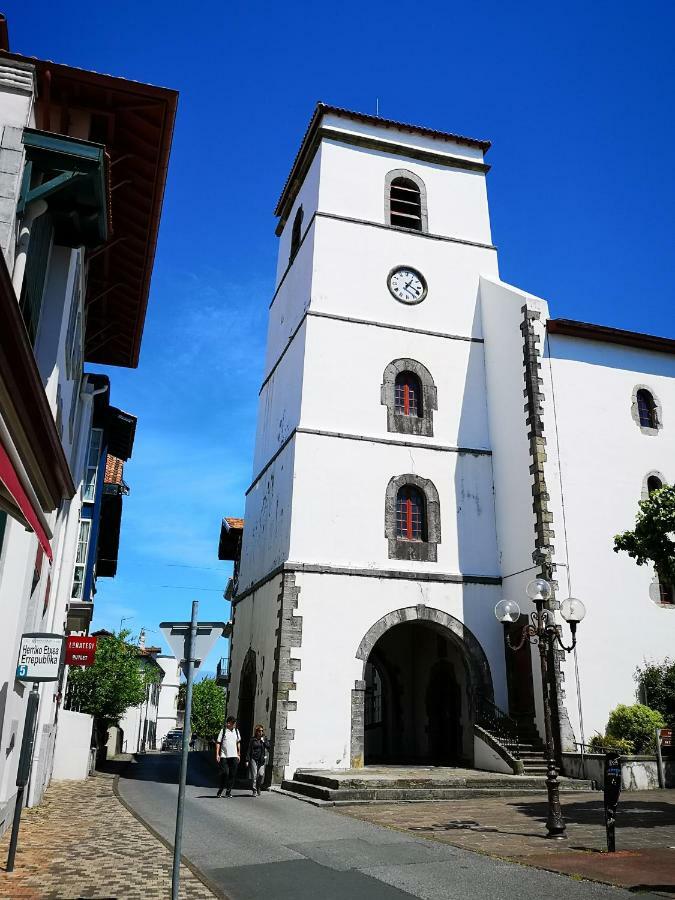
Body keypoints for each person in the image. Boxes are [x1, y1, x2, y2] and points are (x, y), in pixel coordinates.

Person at [215, 716, 240, 798]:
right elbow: (218, 742)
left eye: (234, 723)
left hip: (234, 756)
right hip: (224, 756)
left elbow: (238, 742)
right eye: (233, 723)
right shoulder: (223, 731)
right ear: (228, 723)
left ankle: (228, 791)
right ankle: (221, 788)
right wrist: (217, 754)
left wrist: (239, 754)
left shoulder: (236, 731)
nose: (234, 724)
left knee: (232, 774)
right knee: (225, 773)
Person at [246, 725, 270, 796]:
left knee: (261, 774)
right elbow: (249, 750)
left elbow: (268, 747)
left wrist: (264, 741)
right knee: (254, 775)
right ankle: (254, 790)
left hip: (261, 760)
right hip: (253, 759)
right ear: (256, 732)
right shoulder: (252, 740)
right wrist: (247, 760)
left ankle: (258, 786)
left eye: (262, 731)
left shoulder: (264, 739)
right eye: (259, 731)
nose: (261, 732)